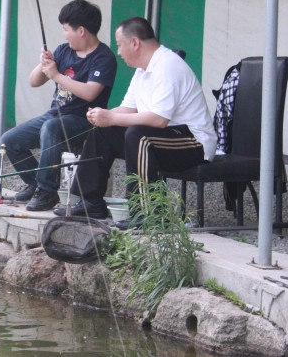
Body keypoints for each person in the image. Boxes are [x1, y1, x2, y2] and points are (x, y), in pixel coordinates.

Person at [57, 16, 215, 219]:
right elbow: (128, 109)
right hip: (162, 136)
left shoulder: (167, 66)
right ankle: (90, 201)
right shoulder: (142, 69)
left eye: (119, 45)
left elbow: (159, 120)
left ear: (134, 43)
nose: (118, 52)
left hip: (193, 142)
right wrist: (102, 116)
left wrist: (111, 118)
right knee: (104, 131)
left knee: (139, 136)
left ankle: (147, 213)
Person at [2, 0, 118, 212]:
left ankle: (47, 191)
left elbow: (90, 92)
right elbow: (34, 81)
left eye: (66, 29)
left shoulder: (104, 58)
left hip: (85, 120)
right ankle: (35, 184)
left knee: (51, 127)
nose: (64, 35)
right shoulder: (63, 51)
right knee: (9, 140)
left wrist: (56, 75)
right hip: (54, 115)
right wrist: (44, 64)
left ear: (81, 31)